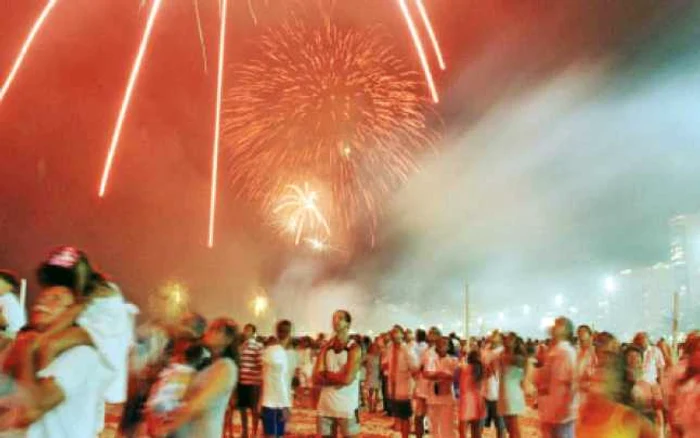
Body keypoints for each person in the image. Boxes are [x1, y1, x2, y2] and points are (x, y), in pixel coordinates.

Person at [0, 283, 110, 438]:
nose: (42, 303)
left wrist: (27, 350)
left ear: (70, 314)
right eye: (42, 298)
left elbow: (31, 410)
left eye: (56, 299)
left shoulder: (81, 355)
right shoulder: (25, 346)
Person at [151, 318, 239, 438]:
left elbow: (199, 404)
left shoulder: (227, 367)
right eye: (211, 328)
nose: (209, 332)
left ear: (228, 340)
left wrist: (167, 427)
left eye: (217, 329)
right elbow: (180, 396)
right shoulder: (204, 364)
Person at [576, 350, 656, 438]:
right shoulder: (578, 413)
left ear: (616, 383)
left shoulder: (627, 418)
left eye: (606, 368)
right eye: (597, 367)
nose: (597, 373)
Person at [313, 310, 362, 438]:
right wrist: (338, 377)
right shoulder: (326, 347)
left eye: (340, 318)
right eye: (334, 318)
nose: (335, 320)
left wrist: (327, 375)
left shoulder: (354, 348)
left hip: (347, 407)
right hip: (325, 405)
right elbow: (316, 377)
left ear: (348, 324)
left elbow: (347, 379)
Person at [537, 317, 578, 438]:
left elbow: (574, 382)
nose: (553, 327)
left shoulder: (567, 352)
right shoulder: (554, 351)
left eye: (557, 325)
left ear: (565, 330)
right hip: (551, 411)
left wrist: (568, 408)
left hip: (563, 414)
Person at [260, 321, 294, 438]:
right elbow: (280, 382)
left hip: (269, 401)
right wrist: (285, 405)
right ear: (289, 334)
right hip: (275, 404)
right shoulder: (278, 353)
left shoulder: (270, 351)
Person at [384, 325, 419, 438]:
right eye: (393, 333)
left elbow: (414, 367)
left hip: (404, 388)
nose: (394, 335)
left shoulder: (407, 349)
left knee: (405, 416)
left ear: (402, 335)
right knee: (397, 416)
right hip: (393, 387)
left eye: (397, 333)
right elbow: (385, 364)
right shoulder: (389, 349)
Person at [424, 336, 458, 438]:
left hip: (447, 398)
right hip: (432, 396)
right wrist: (442, 374)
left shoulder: (453, 360)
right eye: (439, 343)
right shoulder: (431, 359)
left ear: (448, 347)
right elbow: (427, 374)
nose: (441, 346)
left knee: (447, 426)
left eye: (444, 344)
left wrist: (439, 374)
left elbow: (454, 376)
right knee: (433, 425)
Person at [497, 333, 527, 438]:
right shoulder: (503, 354)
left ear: (515, 342)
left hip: (512, 394)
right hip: (504, 392)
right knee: (510, 427)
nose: (506, 341)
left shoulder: (517, 358)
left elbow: (522, 369)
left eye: (510, 339)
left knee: (513, 427)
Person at [238, 323, 263, 438]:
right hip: (242, 383)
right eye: (245, 329)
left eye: (248, 330)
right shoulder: (240, 347)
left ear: (253, 333)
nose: (245, 332)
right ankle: (244, 432)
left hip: (253, 383)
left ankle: (254, 432)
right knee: (242, 408)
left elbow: (261, 365)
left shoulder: (258, 346)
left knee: (254, 410)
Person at [483, 331, 505, 438]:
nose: (492, 337)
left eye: (495, 336)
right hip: (485, 393)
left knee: (500, 426)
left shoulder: (502, 351)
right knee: (480, 423)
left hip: (499, 394)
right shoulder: (486, 349)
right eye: (492, 335)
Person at [458, 350, 486, 438]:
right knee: (476, 429)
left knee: (463, 430)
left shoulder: (464, 368)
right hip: (477, 400)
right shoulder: (481, 369)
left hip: (466, 400)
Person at [0, 271, 26, 342]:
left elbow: (3, 323)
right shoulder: (4, 297)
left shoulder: (8, 299)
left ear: (9, 287)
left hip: (12, 335)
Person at [363, 341, 381, 413]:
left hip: (377, 375)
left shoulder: (379, 356)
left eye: (376, 347)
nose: (374, 349)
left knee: (377, 393)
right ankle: (370, 407)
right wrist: (366, 367)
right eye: (373, 347)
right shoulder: (368, 356)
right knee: (370, 392)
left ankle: (375, 407)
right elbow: (361, 362)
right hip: (370, 375)